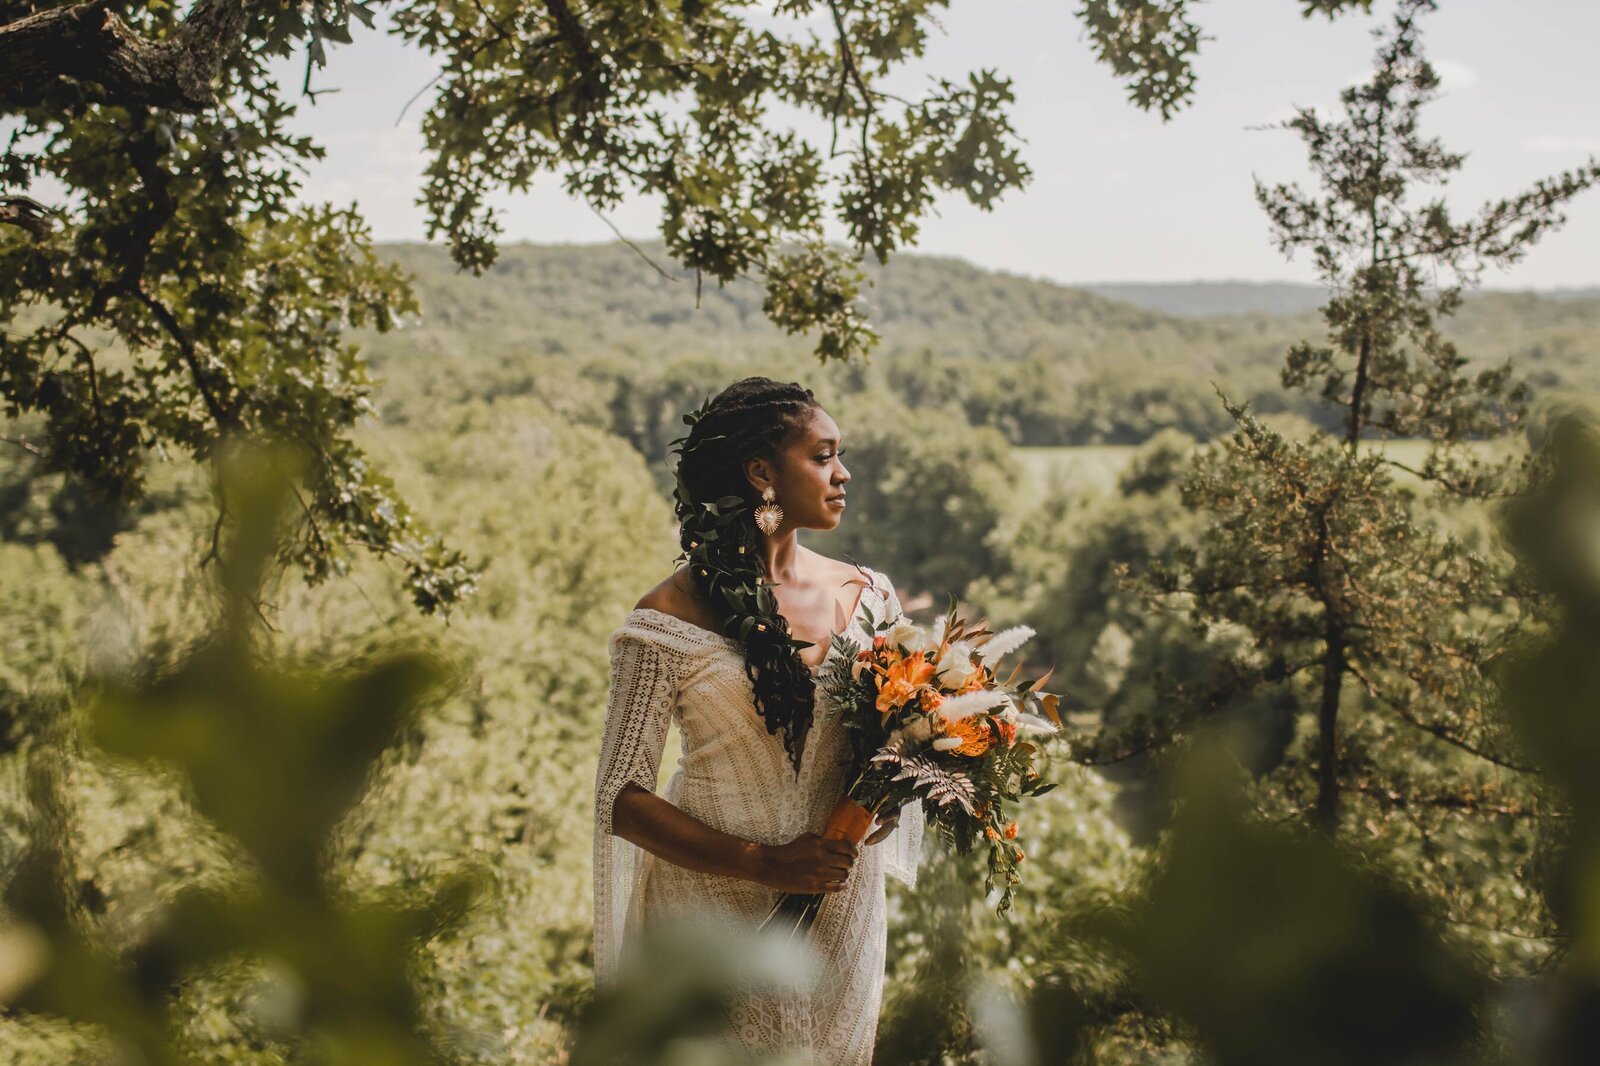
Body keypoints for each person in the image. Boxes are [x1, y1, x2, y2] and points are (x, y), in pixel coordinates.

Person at [592, 376, 924, 1063]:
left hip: (838, 913)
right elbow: (621, 799)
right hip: (705, 912)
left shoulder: (871, 598)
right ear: (760, 473)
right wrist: (763, 863)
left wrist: (885, 802)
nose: (844, 472)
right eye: (823, 455)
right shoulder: (663, 621)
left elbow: (897, 754)